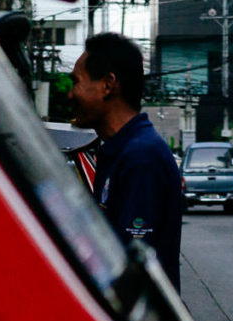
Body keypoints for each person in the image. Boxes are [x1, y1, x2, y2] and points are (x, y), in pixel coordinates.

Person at [69, 33, 184, 291]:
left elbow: (129, 269)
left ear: (108, 85)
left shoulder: (141, 156)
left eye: (76, 82)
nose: (70, 94)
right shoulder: (119, 150)